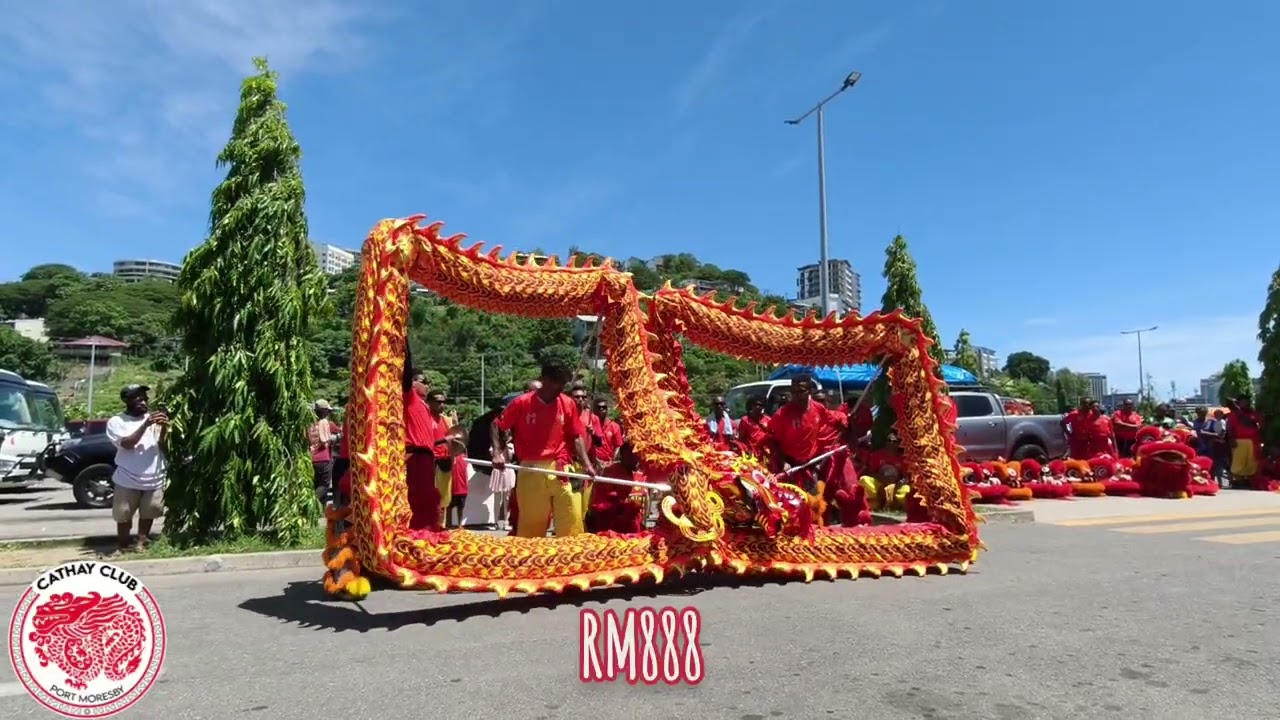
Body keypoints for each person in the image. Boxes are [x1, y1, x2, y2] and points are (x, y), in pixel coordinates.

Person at [491, 361, 597, 538]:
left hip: (561, 467)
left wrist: (587, 464)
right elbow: (497, 425)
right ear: (544, 380)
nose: (560, 387)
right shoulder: (522, 403)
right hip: (531, 468)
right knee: (533, 525)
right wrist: (496, 452)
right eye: (557, 382)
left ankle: (570, 558)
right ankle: (533, 561)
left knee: (571, 517)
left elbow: (576, 435)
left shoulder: (567, 403)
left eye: (564, 383)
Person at [105, 385, 168, 552]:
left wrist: (165, 427)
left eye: (145, 398)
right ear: (127, 400)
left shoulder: (153, 419)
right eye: (138, 398)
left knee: (150, 512)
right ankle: (123, 545)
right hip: (127, 478)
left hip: (154, 477)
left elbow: (164, 445)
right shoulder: (116, 422)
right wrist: (145, 425)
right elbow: (127, 444)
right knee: (124, 514)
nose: (143, 402)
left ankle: (141, 542)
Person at [764, 374, 836, 496]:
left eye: (801, 391)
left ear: (810, 391)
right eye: (793, 391)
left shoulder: (819, 408)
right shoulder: (783, 414)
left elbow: (834, 423)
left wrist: (849, 428)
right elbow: (771, 440)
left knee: (814, 503)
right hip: (789, 468)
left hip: (811, 466)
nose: (796, 395)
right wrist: (783, 462)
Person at [405, 366, 448, 531]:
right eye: (424, 382)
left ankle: (428, 529)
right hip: (416, 456)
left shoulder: (425, 408)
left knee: (430, 497)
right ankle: (420, 531)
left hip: (427, 457)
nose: (427, 385)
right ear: (413, 383)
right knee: (421, 497)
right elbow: (405, 375)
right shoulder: (411, 398)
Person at [585, 442, 646, 534]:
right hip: (611, 526)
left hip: (634, 526)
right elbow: (600, 506)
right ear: (622, 454)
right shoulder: (611, 472)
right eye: (632, 454)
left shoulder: (641, 474)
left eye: (638, 454)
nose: (636, 458)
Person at [462, 399, 503, 528]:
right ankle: (488, 519)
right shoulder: (492, 421)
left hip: (480, 457)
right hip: (482, 458)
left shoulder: (482, 420)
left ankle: (490, 519)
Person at [425, 390, 455, 527]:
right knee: (432, 498)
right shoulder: (425, 418)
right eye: (438, 402)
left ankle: (440, 526)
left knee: (444, 499)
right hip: (431, 462)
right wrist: (444, 440)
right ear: (429, 403)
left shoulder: (446, 420)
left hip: (446, 461)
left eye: (444, 402)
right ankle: (431, 525)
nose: (442, 405)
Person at [1226, 396, 1264, 487]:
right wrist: (1231, 439)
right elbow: (1230, 428)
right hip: (1239, 441)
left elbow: (1261, 424)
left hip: (1253, 441)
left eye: (1247, 401)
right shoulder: (1234, 414)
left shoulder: (1254, 413)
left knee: (1252, 462)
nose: (1246, 403)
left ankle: (1248, 481)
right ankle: (1238, 481)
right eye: (1243, 402)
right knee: (1239, 462)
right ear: (1239, 403)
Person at [309, 400, 341, 501]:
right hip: (323, 457)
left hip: (312, 457)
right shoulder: (324, 422)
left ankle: (318, 509)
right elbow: (326, 440)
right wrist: (339, 437)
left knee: (317, 483)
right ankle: (313, 501)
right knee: (324, 484)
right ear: (325, 412)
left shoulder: (310, 423)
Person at [590, 397, 624, 465]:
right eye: (599, 407)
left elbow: (618, 446)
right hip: (592, 462)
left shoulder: (614, 426)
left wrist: (612, 462)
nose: (602, 409)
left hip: (607, 463)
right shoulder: (589, 424)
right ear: (594, 409)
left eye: (604, 407)